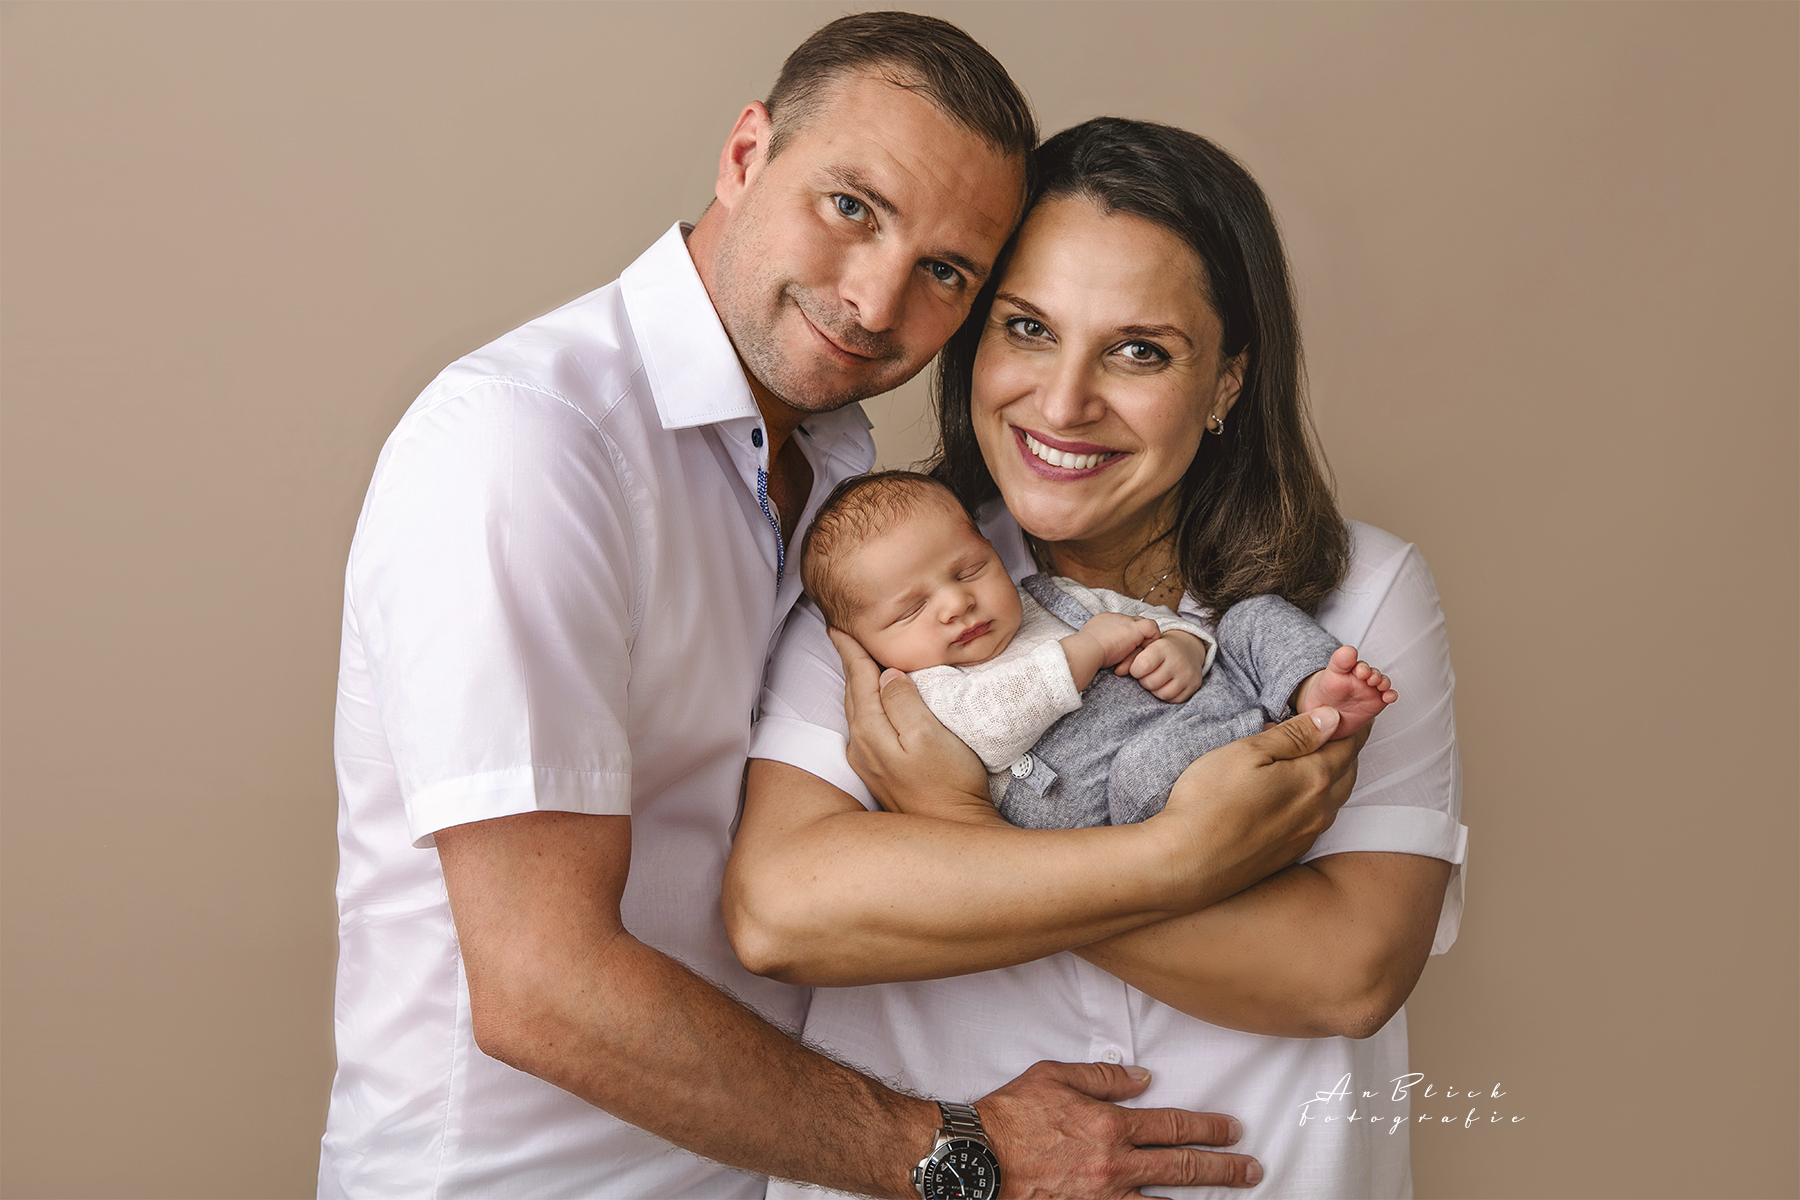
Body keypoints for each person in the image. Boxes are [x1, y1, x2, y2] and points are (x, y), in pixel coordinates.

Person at [320, 14, 1302, 1198]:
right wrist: (961, 1153)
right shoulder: (531, 446)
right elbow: (543, 988)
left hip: (755, 1168)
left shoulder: (839, 468)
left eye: (947, 272)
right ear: (746, 154)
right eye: (852, 206)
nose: (877, 302)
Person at [729, 117, 1468, 1199]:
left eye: (1139, 351)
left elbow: (1347, 971)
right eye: (1028, 328)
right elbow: (786, 911)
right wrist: (1183, 857)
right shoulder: (885, 579)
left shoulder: (1364, 595)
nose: (1065, 402)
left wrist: (955, 822)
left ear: (1228, 382)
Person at [798, 470, 1397, 828]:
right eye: (911, 610)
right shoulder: (920, 688)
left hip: (1199, 707)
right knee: (1146, 772)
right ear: (867, 645)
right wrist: (1082, 652)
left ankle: (1308, 686)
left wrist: (1183, 645)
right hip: (1100, 789)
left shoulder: (1045, 595)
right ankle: (1269, 733)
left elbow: (1143, 618)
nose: (956, 603)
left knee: (1250, 615)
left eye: (969, 569)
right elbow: (990, 730)